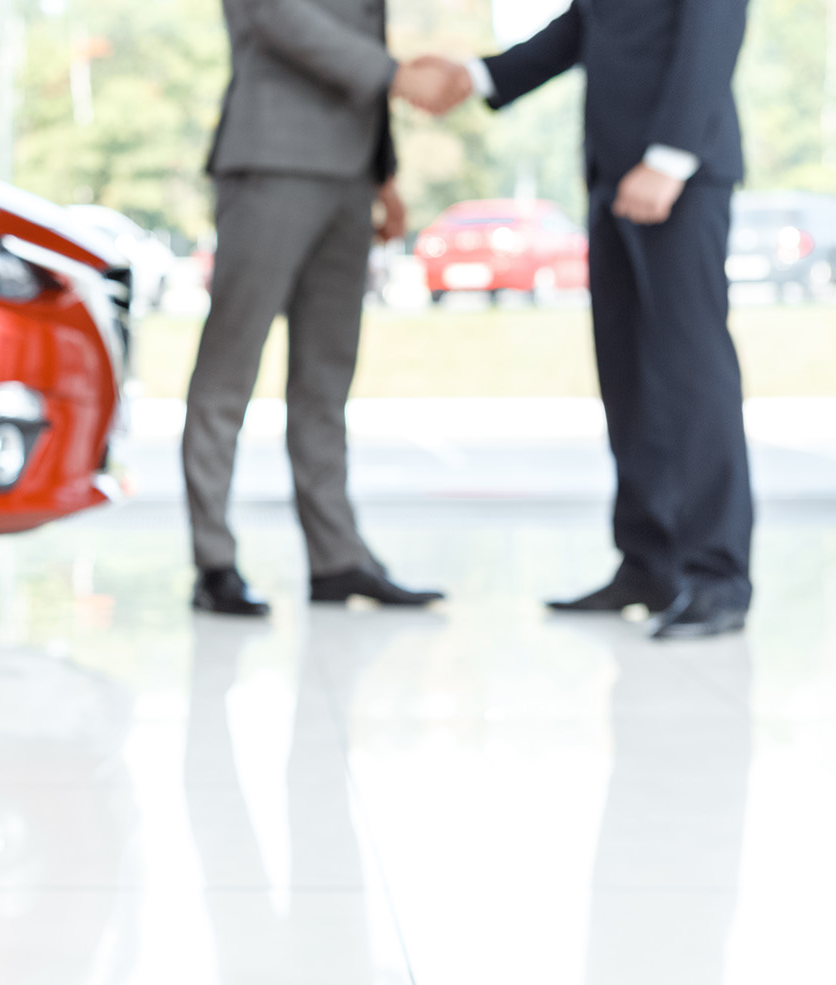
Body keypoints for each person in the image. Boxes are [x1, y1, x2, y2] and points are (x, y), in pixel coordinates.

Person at [451, 0, 755, 638]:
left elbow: (713, 28)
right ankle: (649, 562)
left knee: (692, 373)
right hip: (615, 172)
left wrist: (669, 157)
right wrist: (480, 77)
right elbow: (587, 24)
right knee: (628, 371)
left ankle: (716, 577)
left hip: (677, 172)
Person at [183, 0, 468, 616]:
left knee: (327, 376)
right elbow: (281, 18)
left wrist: (383, 174)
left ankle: (337, 559)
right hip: (271, 160)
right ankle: (214, 563)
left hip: (350, 174)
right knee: (229, 369)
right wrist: (397, 75)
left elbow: (363, 30)